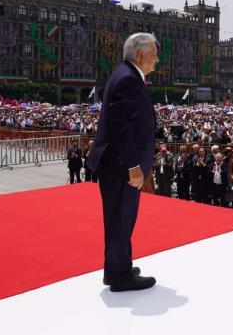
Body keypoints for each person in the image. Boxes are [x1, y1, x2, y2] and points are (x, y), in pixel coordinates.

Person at [87, 32, 158, 292]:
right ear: (141, 54)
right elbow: (120, 127)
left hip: (116, 165)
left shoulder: (124, 73)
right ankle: (119, 275)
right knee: (120, 219)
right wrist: (133, 166)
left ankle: (119, 266)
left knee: (121, 218)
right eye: (154, 54)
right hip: (121, 167)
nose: (157, 60)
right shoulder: (129, 79)